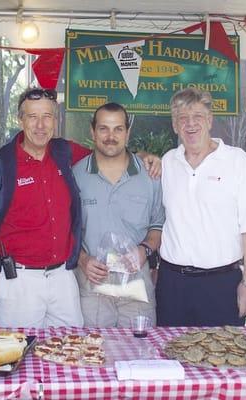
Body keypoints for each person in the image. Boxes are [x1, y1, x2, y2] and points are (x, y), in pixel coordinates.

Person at [0, 88, 160, 328]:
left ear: (56, 120)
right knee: (20, 356)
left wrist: (144, 156)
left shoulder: (65, 154)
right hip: (20, 280)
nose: (40, 125)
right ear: (20, 119)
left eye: (47, 116)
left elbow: (110, 152)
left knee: (73, 351)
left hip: (63, 279)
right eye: (32, 116)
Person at [156, 88, 246, 327]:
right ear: (175, 126)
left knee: (222, 360)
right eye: (182, 118)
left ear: (209, 121)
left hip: (222, 284)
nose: (190, 124)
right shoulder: (168, 162)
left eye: (197, 116)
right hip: (173, 284)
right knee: (170, 358)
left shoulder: (237, 161)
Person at [74, 103, 165, 327]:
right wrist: (83, 260)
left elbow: (158, 225)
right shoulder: (75, 175)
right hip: (92, 283)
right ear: (92, 132)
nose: (111, 136)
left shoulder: (150, 174)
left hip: (136, 283)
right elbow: (66, 230)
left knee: (139, 351)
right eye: (104, 128)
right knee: (92, 353)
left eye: (118, 129)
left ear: (128, 132)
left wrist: (144, 251)